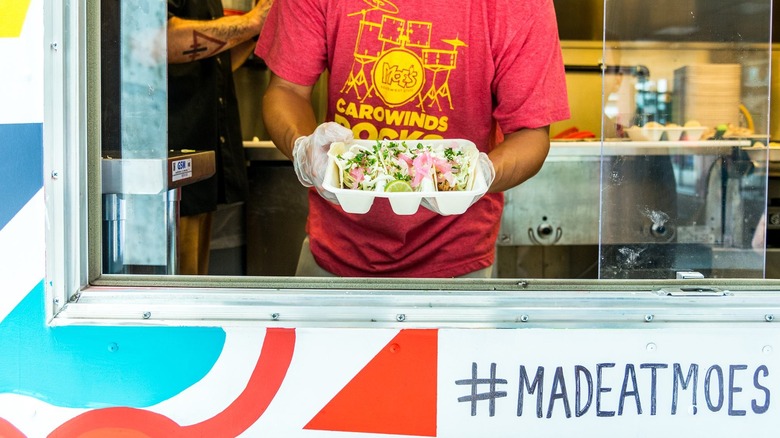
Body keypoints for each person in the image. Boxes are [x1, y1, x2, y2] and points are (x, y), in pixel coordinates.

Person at [256, 0, 570, 278]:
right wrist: (304, 148)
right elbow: (286, 90)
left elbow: (531, 133)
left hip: (457, 258)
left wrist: (479, 174)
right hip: (333, 250)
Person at [167, 0, 272, 274]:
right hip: (167, 169)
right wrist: (253, 21)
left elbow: (217, 65)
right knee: (174, 298)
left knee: (194, 288)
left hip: (200, 164)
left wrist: (255, 33)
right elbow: (159, 39)